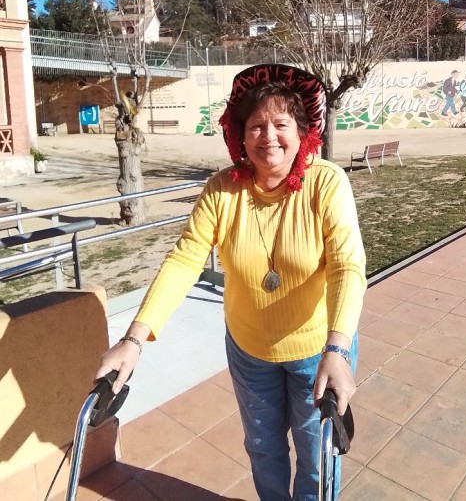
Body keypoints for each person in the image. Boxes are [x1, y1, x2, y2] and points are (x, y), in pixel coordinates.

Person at [95, 63, 367, 501]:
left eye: (281, 124)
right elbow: (184, 260)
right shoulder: (221, 190)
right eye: (256, 126)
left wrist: (337, 349)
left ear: (302, 132)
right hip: (250, 352)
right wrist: (133, 339)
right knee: (263, 449)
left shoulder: (326, 183)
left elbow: (347, 265)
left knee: (318, 458)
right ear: (240, 135)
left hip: (318, 351)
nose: (268, 136)